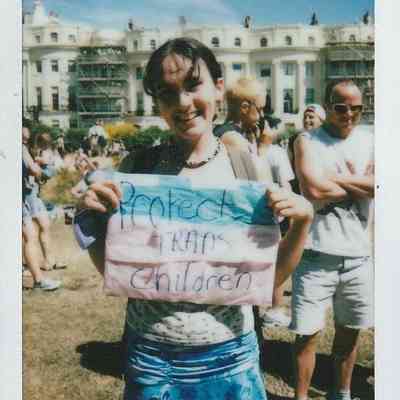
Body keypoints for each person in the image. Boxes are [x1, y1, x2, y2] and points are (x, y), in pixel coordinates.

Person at [75, 37, 313, 400]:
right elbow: (117, 271)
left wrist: (303, 223)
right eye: (167, 93)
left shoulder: (248, 170)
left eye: (192, 85)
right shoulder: (137, 170)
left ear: (218, 89)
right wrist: (90, 217)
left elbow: (269, 281)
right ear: (157, 103)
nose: (183, 103)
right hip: (151, 358)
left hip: (231, 355)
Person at [291, 80, 374, 400]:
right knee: (307, 335)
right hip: (314, 254)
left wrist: (332, 178)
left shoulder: (371, 140)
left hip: (358, 256)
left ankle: (341, 393)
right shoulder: (307, 140)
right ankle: (301, 396)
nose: (349, 114)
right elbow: (312, 190)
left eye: (357, 108)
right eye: (341, 107)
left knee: (349, 334)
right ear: (327, 105)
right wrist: (361, 182)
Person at [215, 76, 295, 328]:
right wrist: (262, 149)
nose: (262, 116)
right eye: (260, 108)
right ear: (244, 107)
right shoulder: (232, 138)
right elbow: (257, 184)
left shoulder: (233, 134)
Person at [22, 127, 62, 290]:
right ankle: (37, 273)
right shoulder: (25, 149)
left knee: (38, 228)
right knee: (31, 233)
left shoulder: (27, 148)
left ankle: (47, 261)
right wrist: (41, 168)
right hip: (27, 193)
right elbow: (35, 170)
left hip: (30, 193)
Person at [288, 104, 326, 194]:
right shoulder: (294, 140)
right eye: (305, 117)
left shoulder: (328, 141)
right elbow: (289, 168)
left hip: (323, 189)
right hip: (300, 189)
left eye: (311, 117)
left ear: (321, 121)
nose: (306, 120)